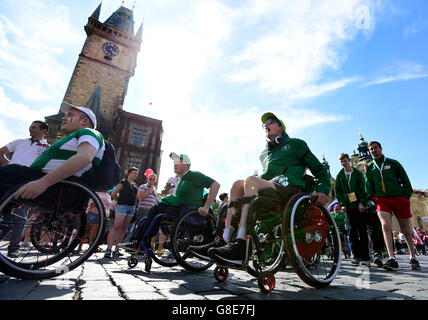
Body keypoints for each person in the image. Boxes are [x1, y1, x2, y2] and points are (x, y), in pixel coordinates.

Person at [190, 112, 330, 266]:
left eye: (270, 121)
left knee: (251, 181)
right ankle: (222, 239)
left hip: (289, 189)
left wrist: (322, 189)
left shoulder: (296, 144)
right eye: (264, 124)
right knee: (237, 184)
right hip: (269, 189)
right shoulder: (265, 154)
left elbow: (319, 170)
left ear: (281, 127)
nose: (266, 125)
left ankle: (242, 244)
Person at [119, 152, 220, 253]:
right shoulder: (181, 179)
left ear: (187, 164)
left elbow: (215, 184)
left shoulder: (194, 175)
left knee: (156, 211)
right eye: (174, 162)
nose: (175, 164)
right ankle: (139, 242)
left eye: (178, 162)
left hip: (187, 210)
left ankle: (140, 242)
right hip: (177, 207)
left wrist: (206, 207)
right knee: (147, 218)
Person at [365, 141, 421, 270]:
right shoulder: (369, 167)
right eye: (371, 149)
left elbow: (405, 180)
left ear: (381, 148)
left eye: (375, 148)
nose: (373, 150)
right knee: (385, 226)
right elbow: (368, 185)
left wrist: (405, 197)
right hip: (381, 200)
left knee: (406, 229)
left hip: (398, 198)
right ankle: (392, 258)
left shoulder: (393, 163)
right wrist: (371, 198)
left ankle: (413, 257)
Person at [0, 120, 50, 257]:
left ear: (43, 130)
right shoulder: (20, 142)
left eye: (34, 127)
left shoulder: (48, 148)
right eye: (30, 126)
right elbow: (1, 152)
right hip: (10, 178)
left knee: (20, 216)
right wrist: (8, 166)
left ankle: (13, 247)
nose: (31, 129)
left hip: (27, 182)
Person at [334, 153, 371, 267]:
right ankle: (356, 256)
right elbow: (338, 192)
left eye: (345, 161)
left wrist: (361, 202)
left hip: (358, 206)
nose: (343, 163)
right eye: (341, 162)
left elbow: (363, 189)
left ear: (349, 160)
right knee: (352, 232)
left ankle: (366, 257)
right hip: (348, 208)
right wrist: (342, 204)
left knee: (363, 231)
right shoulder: (340, 176)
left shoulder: (358, 173)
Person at [104, 167, 139, 258]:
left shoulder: (135, 185)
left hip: (131, 208)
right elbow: (113, 193)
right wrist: (118, 201)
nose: (136, 175)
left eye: (137, 173)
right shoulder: (123, 183)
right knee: (116, 227)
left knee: (124, 228)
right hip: (122, 206)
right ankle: (108, 249)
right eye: (134, 173)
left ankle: (117, 249)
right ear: (129, 173)